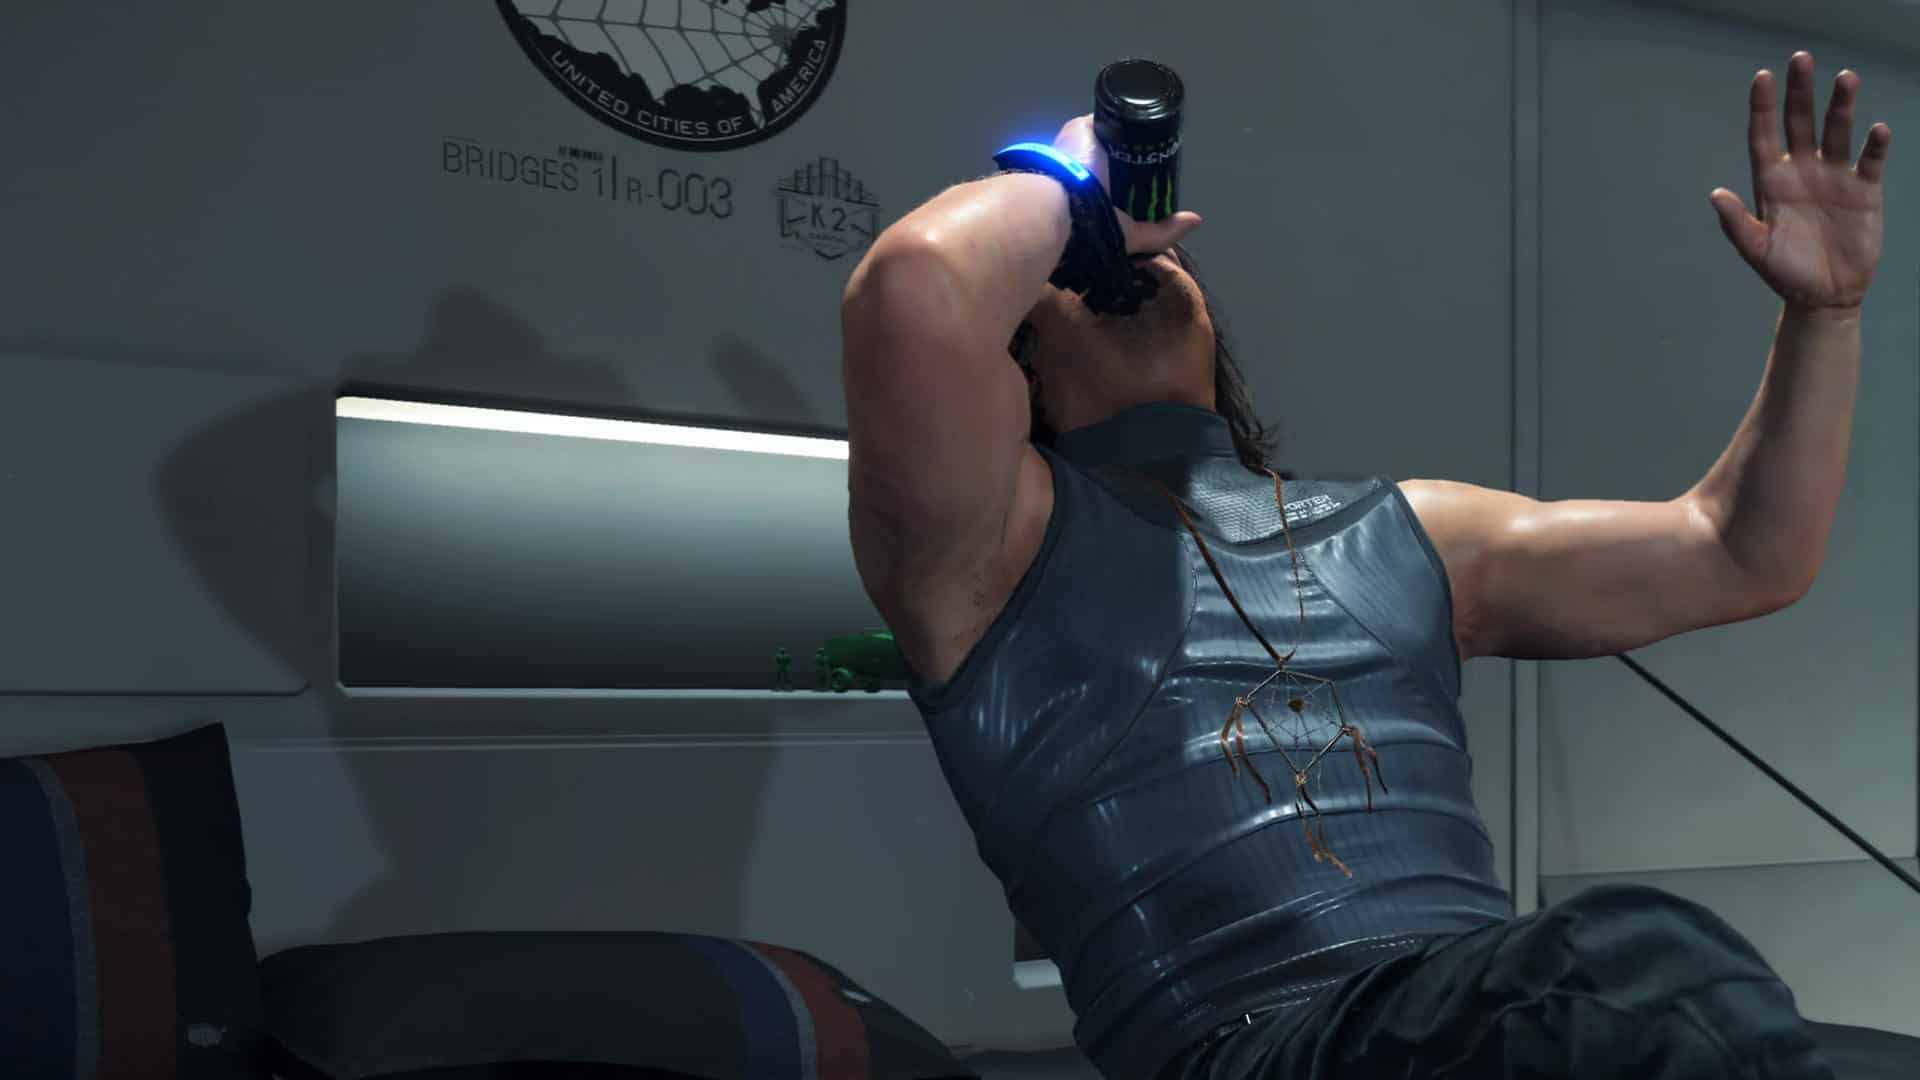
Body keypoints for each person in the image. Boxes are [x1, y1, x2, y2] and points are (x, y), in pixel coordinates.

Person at [839, 50, 1891, 1080]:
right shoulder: (989, 549)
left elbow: (1742, 552)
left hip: (1480, 1021)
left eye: (1150, 258)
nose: (1122, 274)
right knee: (1639, 967)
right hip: (1250, 1048)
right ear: (1016, 366)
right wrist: (1075, 191)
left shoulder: (1402, 531)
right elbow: (916, 288)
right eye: (1070, 276)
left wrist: (1827, 316)